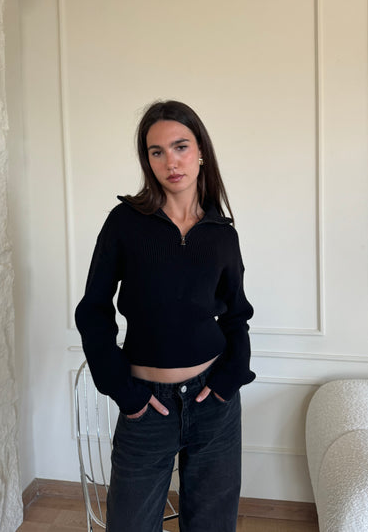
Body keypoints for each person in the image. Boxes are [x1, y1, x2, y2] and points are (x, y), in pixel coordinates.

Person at [75, 100, 255, 532]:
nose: (170, 162)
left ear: (201, 152)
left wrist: (229, 379)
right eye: (157, 151)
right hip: (147, 404)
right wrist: (125, 393)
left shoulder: (221, 233)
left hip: (214, 402)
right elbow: (93, 310)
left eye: (180, 147)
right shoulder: (125, 223)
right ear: (147, 160)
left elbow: (236, 315)